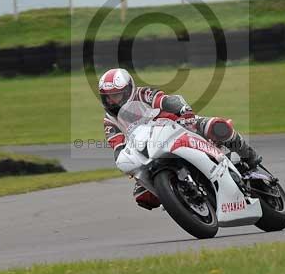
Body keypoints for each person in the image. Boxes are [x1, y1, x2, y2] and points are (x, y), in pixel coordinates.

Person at [98, 67, 262, 210]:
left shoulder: (142, 94)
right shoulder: (109, 120)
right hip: (151, 148)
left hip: (179, 126)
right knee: (142, 195)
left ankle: (249, 156)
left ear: (128, 90)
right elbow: (117, 146)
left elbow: (165, 100)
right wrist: (125, 163)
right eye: (108, 97)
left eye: (117, 95)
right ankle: (181, 195)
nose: (112, 101)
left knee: (216, 127)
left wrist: (183, 111)